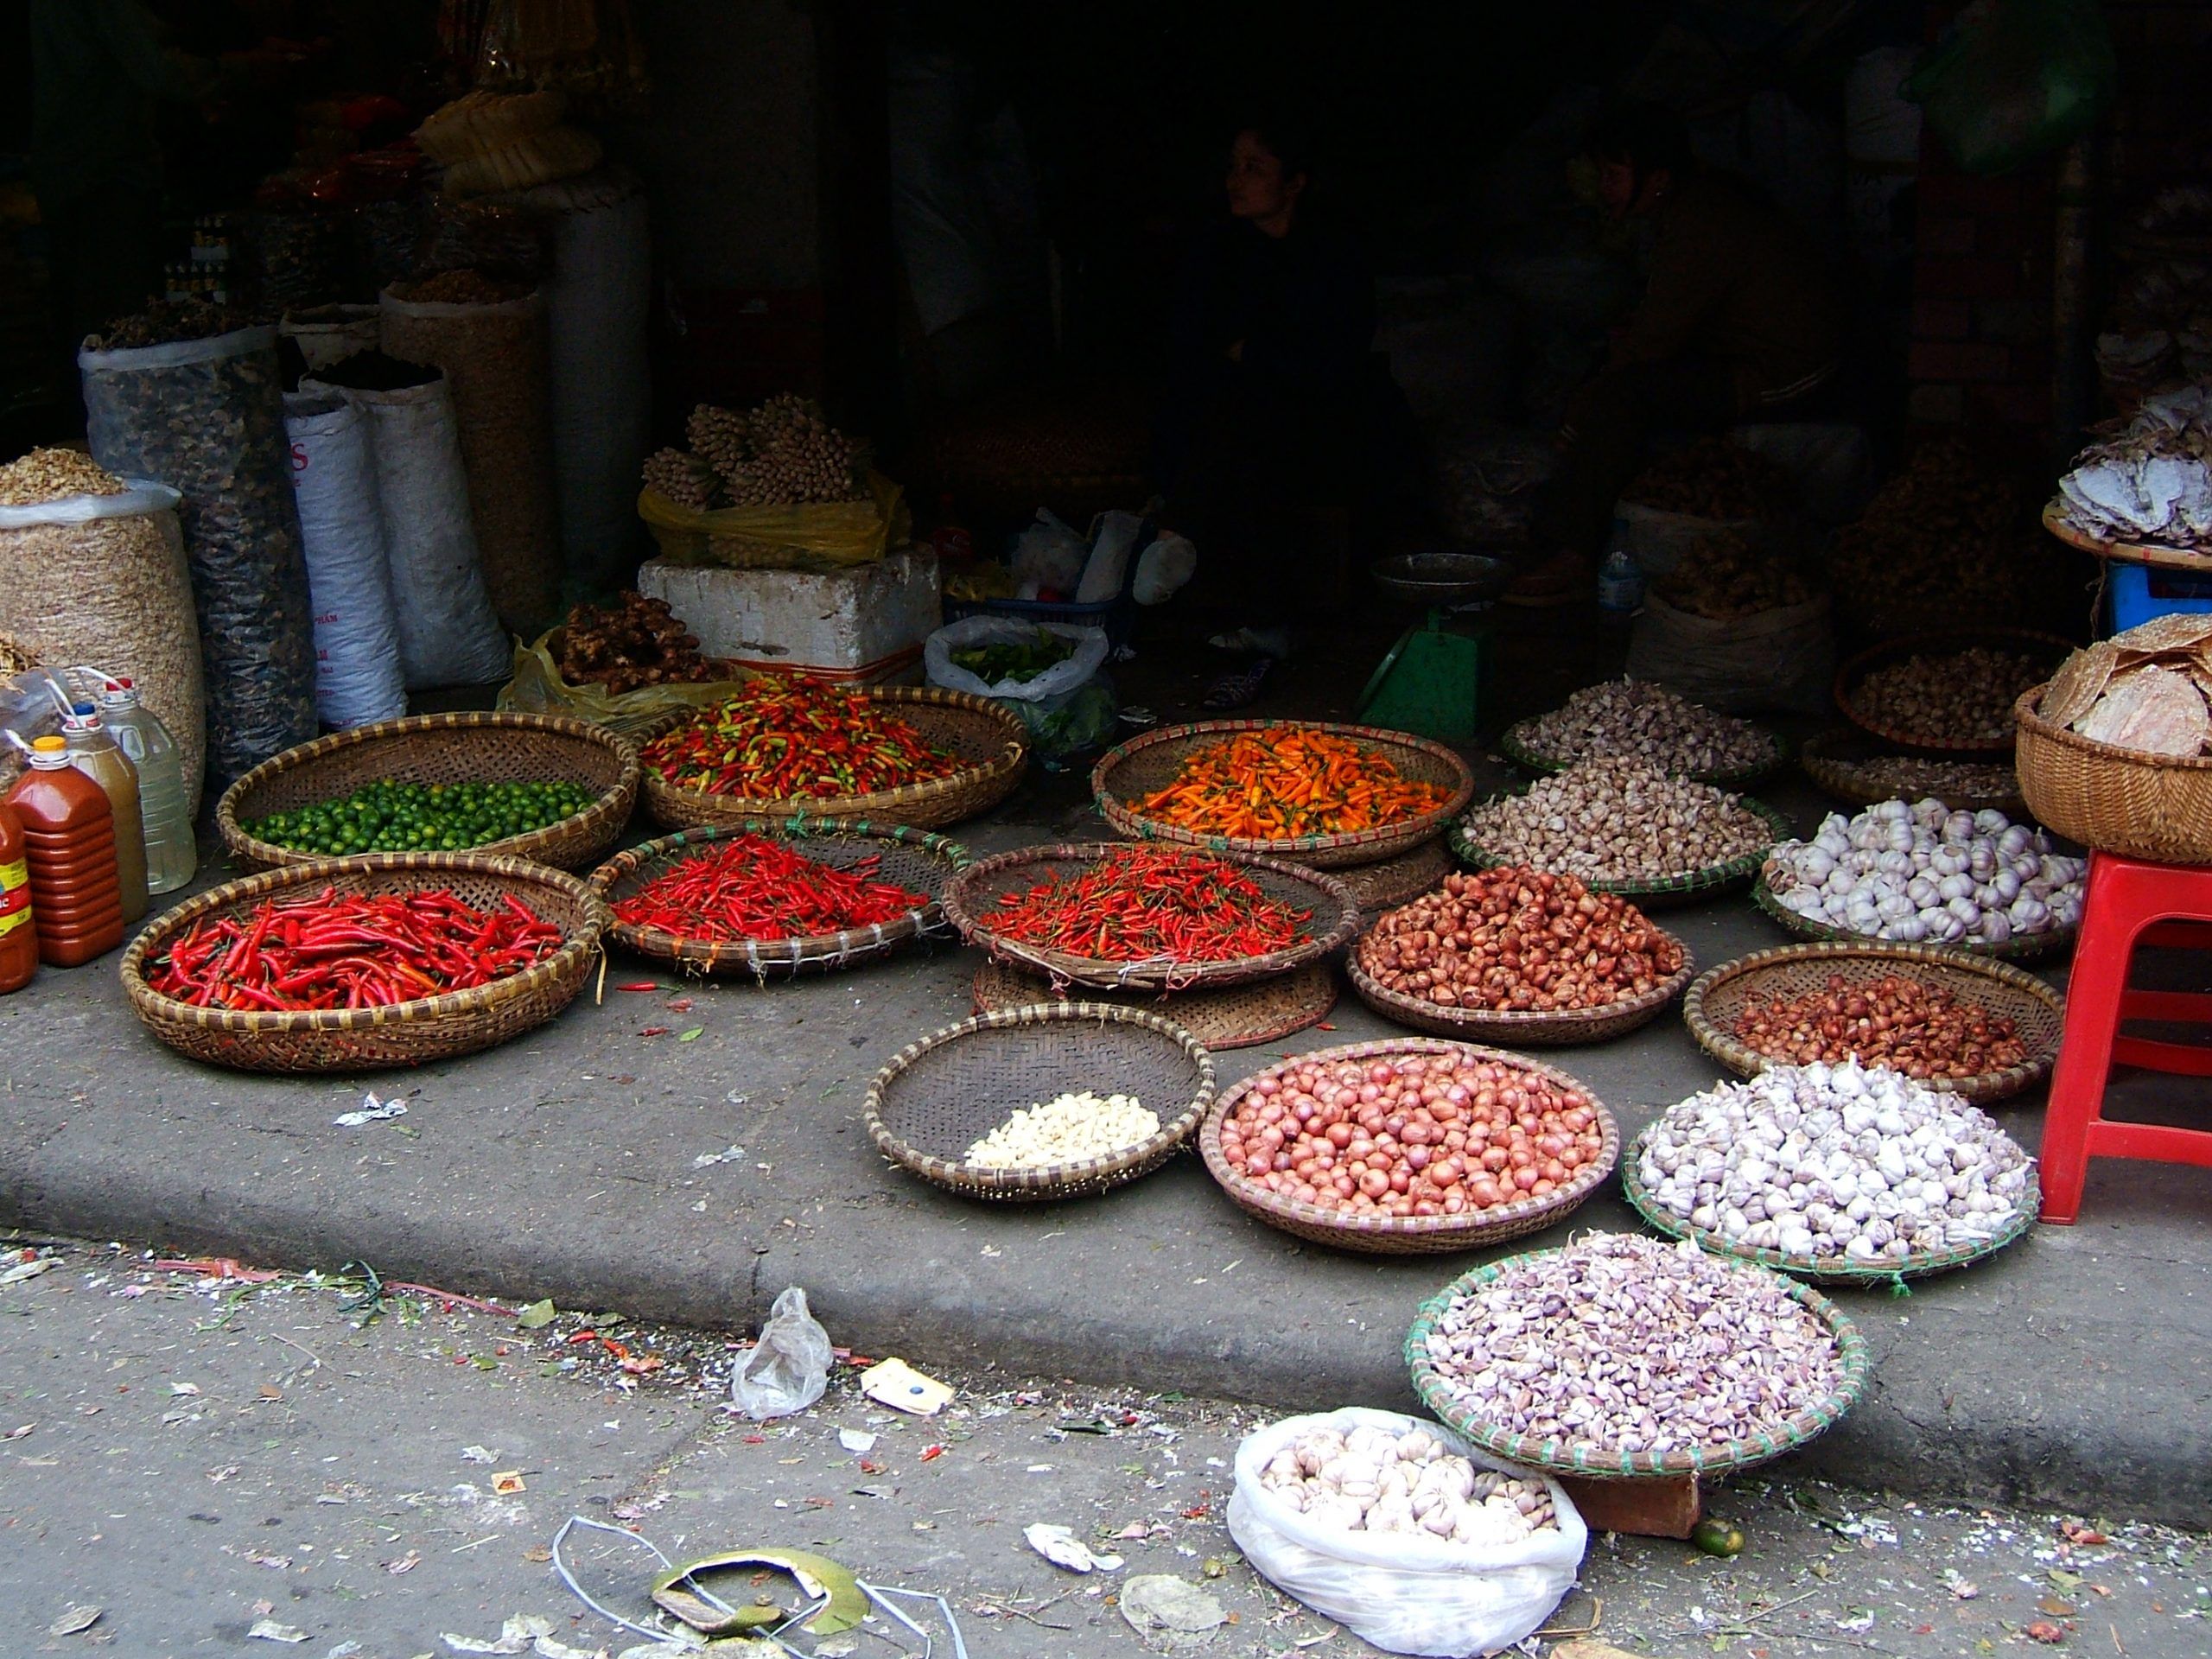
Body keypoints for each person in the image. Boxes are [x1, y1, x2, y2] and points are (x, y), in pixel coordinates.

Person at [1510, 99, 1846, 605]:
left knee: (1621, 397)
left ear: (1658, 177)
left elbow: (1653, 342)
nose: (1605, 189)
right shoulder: (1692, 206)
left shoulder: (1704, 222)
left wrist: (1582, 413)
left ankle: (1574, 553)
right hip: (1740, 352)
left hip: (1786, 371)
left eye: (1614, 174)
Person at [1154, 119, 1401, 709]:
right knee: (1233, 413)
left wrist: (1262, 354)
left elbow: (1336, 354)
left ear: (1295, 184)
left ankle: (1182, 534)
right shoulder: (1226, 249)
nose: (1236, 181)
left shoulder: (1332, 252)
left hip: (1328, 413)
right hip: (1252, 407)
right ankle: (1190, 545)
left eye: (1254, 168)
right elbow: (1201, 339)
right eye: (1234, 166)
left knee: (1261, 421)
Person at [29, 0, 240, 413]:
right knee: (115, 336)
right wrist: (240, 71)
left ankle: (92, 434)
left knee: (90, 330)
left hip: (74, 170)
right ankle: (112, 441)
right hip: (103, 174)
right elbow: (155, 68)